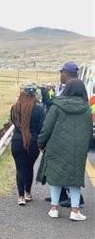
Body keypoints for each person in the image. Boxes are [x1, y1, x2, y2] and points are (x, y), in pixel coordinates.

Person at [36, 78, 92, 221]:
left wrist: (41, 143)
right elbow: (88, 132)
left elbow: (47, 127)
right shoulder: (86, 108)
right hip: (77, 149)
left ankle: (54, 209)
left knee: (56, 178)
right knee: (75, 179)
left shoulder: (57, 105)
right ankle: (75, 211)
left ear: (67, 90)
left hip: (56, 146)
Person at [10, 84, 45, 205]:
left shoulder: (15, 107)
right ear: (34, 95)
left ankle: (20, 197)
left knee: (20, 168)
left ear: (23, 93)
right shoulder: (39, 109)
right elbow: (42, 127)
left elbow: (13, 122)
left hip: (17, 141)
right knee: (29, 167)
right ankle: (28, 193)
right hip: (33, 142)